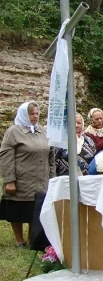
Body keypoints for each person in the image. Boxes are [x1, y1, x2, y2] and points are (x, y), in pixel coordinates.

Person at [0, 101, 56, 247]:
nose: (35, 117)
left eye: (37, 113)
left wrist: (52, 178)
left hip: (40, 179)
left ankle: (32, 237)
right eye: (31, 114)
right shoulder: (13, 132)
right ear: (24, 115)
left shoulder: (43, 131)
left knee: (35, 209)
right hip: (21, 179)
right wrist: (9, 180)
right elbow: (6, 156)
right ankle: (19, 240)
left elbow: (51, 156)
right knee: (17, 209)